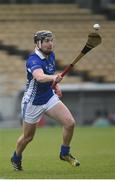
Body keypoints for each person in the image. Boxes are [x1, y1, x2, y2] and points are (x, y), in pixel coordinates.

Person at [11, 30, 80, 171]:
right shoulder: (33, 59)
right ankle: (16, 158)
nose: (50, 44)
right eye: (46, 41)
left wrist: (56, 85)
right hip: (33, 102)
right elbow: (40, 77)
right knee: (28, 137)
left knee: (70, 123)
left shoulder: (51, 55)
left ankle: (64, 153)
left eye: (51, 40)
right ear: (38, 43)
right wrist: (54, 78)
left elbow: (48, 75)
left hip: (48, 97)